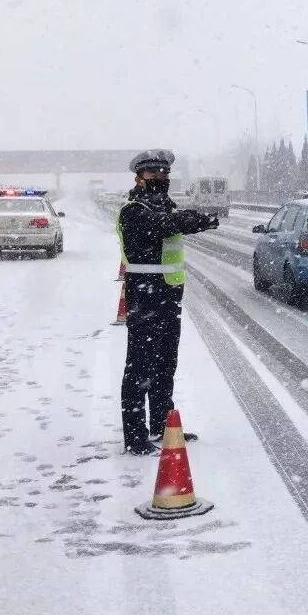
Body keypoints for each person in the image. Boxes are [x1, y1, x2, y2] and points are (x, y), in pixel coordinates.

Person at [117, 149, 219, 455]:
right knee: (140, 369)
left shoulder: (165, 208)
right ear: (138, 177)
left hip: (169, 297)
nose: (160, 177)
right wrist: (194, 219)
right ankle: (136, 437)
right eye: (153, 173)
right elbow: (161, 225)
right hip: (144, 296)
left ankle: (163, 426)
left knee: (164, 366)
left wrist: (192, 219)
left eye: (164, 173)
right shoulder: (133, 210)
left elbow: (170, 222)